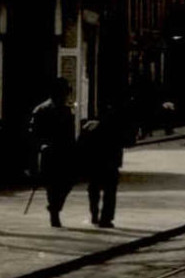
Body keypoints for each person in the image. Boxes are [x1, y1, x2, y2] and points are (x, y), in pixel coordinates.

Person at [29, 78, 77, 228]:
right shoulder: (41, 110)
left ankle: (55, 207)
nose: (65, 96)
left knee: (68, 182)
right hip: (49, 153)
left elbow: (70, 133)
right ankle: (54, 213)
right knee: (52, 184)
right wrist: (41, 145)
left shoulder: (67, 110)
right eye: (63, 92)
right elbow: (33, 133)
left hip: (64, 152)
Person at [78, 110, 124, 227]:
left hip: (95, 163)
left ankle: (94, 214)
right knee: (109, 191)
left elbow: (80, 145)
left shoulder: (88, 127)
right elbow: (120, 144)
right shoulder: (114, 126)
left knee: (94, 190)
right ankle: (106, 218)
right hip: (110, 163)